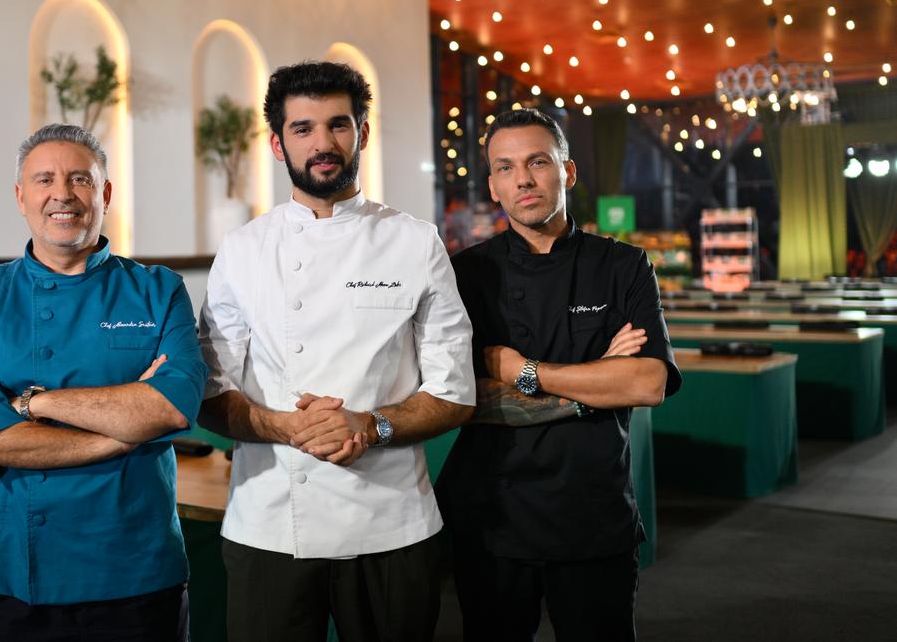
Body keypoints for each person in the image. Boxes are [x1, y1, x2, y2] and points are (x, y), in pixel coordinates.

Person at [198, 61, 476, 642]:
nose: (322, 143)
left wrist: (369, 426)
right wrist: (287, 427)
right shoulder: (243, 250)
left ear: (362, 133)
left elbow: (454, 392)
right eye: (303, 128)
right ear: (278, 144)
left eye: (338, 125)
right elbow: (211, 392)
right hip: (270, 522)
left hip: (391, 523)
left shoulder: (415, 242)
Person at [0, 124, 206, 642]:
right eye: (45, 180)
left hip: (135, 566)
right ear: (21, 197)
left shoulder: (158, 290)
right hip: (14, 571)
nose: (63, 194)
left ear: (105, 194)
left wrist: (35, 404)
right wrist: (124, 432)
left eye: (80, 179)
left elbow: (172, 408)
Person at [438, 108, 683, 642]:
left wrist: (521, 371)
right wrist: (598, 380)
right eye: (505, 168)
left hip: (592, 511)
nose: (522, 179)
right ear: (493, 187)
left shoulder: (623, 265)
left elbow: (647, 383)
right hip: (494, 519)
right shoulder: (465, 274)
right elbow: (461, 399)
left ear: (567, 172)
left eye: (538, 162)